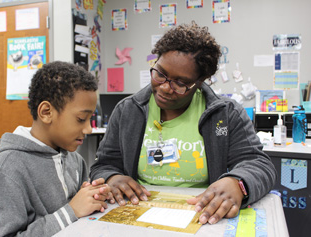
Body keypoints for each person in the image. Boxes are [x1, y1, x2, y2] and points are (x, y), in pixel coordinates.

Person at [90, 21, 277, 225]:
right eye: (160, 74)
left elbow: (259, 164)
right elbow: (104, 164)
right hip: (138, 213)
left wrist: (238, 183)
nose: (164, 88)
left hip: (202, 215)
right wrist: (112, 177)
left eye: (180, 83)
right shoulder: (127, 111)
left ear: (201, 80)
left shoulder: (225, 113)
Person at [0, 61, 111, 236]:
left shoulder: (74, 160)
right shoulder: (4, 171)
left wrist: (94, 197)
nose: (88, 129)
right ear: (46, 112)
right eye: (81, 119)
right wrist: (71, 212)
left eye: (90, 119)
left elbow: (80, 213)